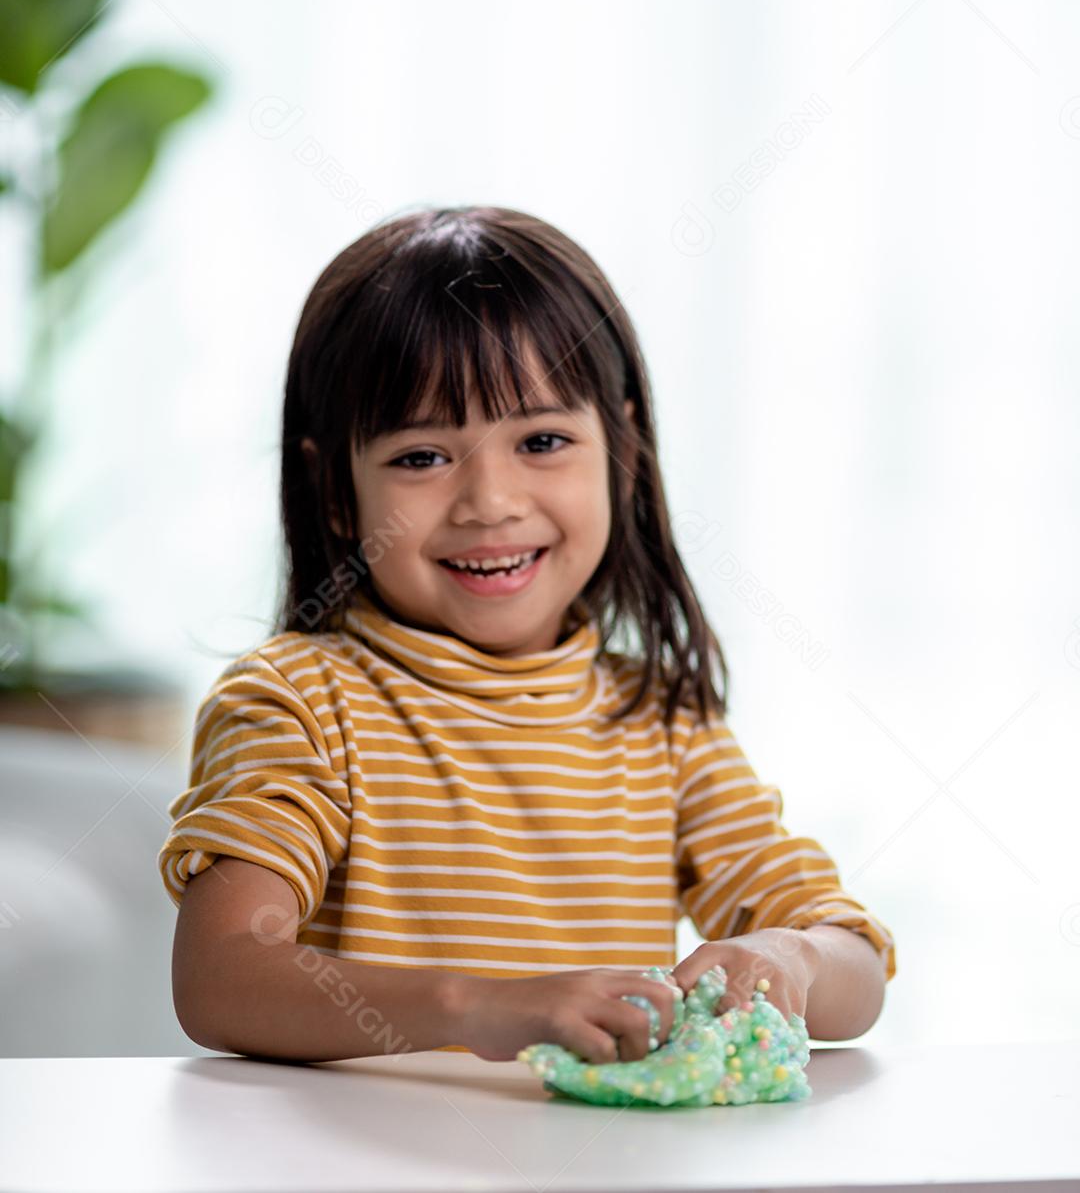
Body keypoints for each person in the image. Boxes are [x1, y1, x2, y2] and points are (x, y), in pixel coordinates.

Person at [159, 205, 896, 1065]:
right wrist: (475, 1010)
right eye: (422, 457)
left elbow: (856, 966)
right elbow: (220, 979)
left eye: (542, 440)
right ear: (334, 490)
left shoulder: (663, 722)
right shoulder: (298, 702)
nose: (491, 503)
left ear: (622, 451)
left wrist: (790, 956)